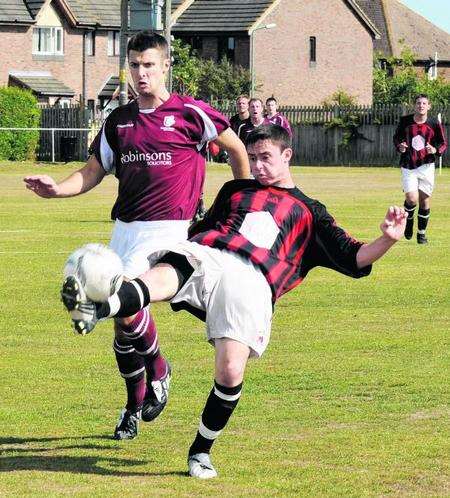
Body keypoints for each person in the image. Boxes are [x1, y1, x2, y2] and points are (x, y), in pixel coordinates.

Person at [62, 124, 406, 478]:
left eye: (265, 158)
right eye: (252, 158)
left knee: (229, 373)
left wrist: (387, 240)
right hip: (211, 255)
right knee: (171, 269)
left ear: (287, 155)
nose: (257, 166)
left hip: (255, 282)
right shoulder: (235, 190)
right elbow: (200, 230)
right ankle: (96, 309)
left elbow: (354, 257)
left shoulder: (310, 212)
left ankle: (200, 452)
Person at [24, 31, 250, 441]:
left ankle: (159, 369)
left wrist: (244, 201)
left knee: (125, 308)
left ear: (165, 66)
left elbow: (236, 150)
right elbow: (93, 171)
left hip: (169, 230)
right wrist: (57, 188)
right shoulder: (119, 121)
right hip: (124, 231)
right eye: (134, 65)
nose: (141, 73)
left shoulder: (190, 114)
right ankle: (134, 403)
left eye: (149, 65)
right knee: (123, 327)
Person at [393, 94, 447, 244]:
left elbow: (443, 143)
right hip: (408, 165)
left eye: (424, 103)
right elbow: (396, 138)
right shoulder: (405, 121)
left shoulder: (434, 123)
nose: (421, 106)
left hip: (427, 166)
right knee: (411, 199)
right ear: (414, 105)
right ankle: (409, 223)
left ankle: (421, 234)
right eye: (418, 103)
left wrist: (435, 151)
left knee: (424, 201)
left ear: (428, 106)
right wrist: (400, 146)